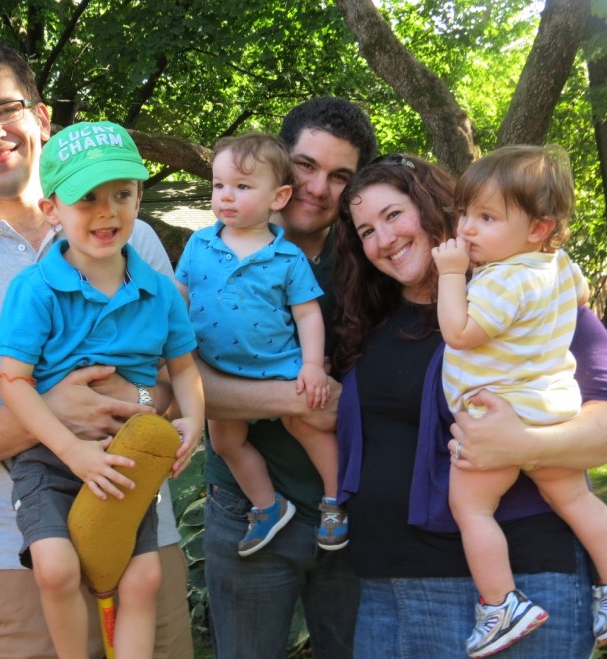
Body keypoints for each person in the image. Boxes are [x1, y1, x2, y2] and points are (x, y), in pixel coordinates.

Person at [0, 37, 195, 659]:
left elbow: (175, 377)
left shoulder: (133, 240)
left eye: (6, 108)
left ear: (42, 117)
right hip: (9, 564)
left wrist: (132, 399)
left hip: (137, 532)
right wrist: (53, 412)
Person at [334, 152, 607, 658]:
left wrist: (525, 444)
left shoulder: (524, 292)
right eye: (367, 231)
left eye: (394, 215)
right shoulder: (370, 319)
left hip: (522, 577)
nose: (384, 239)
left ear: (433, 205)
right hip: (386, 586)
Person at [0, 120, 204, 658]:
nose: (107, 211)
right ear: (52, 210)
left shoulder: (158, 291)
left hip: (125, 456)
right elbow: (12, 382)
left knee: (144, 579)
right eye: (87, 198)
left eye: (122, 194)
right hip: (49, 456)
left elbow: (183, 369)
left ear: (138, 198)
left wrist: (193, 421)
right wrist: (72, 451)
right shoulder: (36, 289)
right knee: (56, 568)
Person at [199, 97, 377, 658]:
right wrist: (299, 400)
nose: (318, 188)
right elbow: (183, 378)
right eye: (306, 165)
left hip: (350, 510)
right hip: (246, 508)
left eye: (339, 176)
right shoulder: (214, 250)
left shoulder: (372, 257)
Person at [433, 145, 607, 655]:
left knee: (471, 508)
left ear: (539, 227)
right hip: (551, 405)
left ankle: (501, 605)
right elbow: (580, 297)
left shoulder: (503, 279)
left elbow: (460, 332)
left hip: (497, 412)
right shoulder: (556, 264)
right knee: (575, 498)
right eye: (465, 214)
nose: (466, 229)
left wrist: (451, 274)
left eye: (487, 218)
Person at [176, 132, 341, 557]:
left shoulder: (287, 257)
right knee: (226, 442)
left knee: (306, 424)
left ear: (278, 197)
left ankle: (335, 498)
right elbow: (180, 295)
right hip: (219, 369)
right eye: (219, 185)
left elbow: (307, 315)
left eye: (243, 186)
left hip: (279, 364)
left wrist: (311, 366)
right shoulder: (200, 243)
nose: (226, 196)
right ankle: (268, 506)